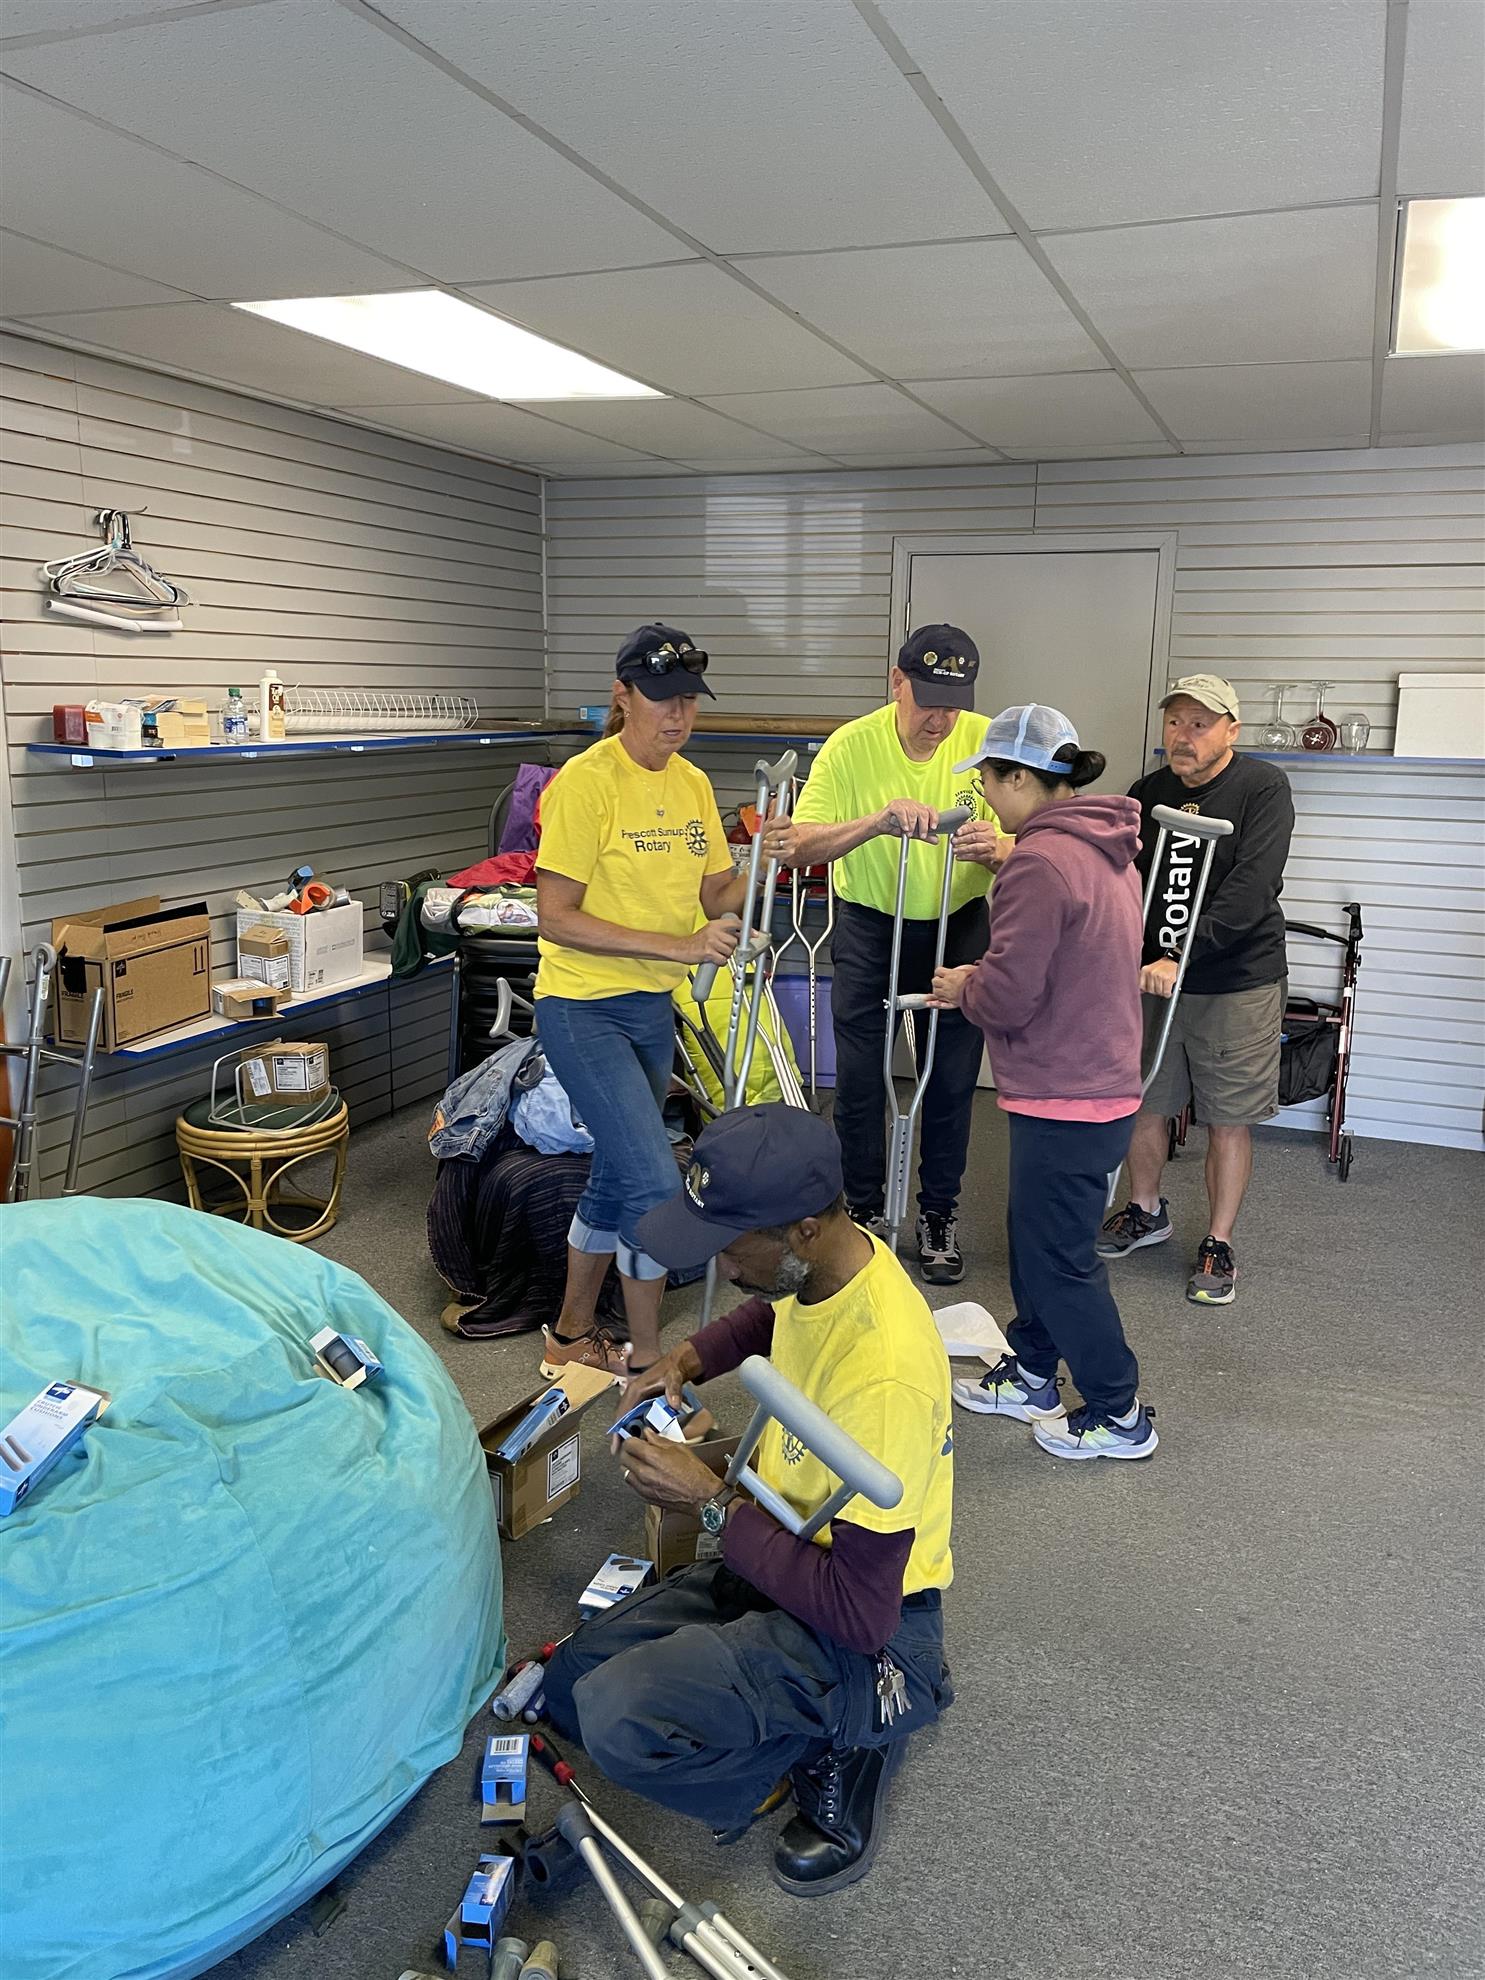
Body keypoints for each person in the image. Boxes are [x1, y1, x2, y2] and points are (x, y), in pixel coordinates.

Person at [541, 1103, 954, 1896]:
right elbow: (771, 1314)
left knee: (619, 1716)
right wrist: (684, 1359)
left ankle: (848, 1736)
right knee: (572, 1684)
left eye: (730, 1247)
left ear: (803, 1230)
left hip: (871, 1625)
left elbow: (861, 1613)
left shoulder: (886, 1380)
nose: (722, 1268)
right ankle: (794, 1707)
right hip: (787, 1542)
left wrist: (707, 1503)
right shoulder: (827, 1268)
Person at [930, 704, 1156, 1461]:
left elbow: (1008, 995)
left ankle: (1118, 1412)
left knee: (1058, 1260)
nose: (986, 798)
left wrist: (964, 983)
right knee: (1036, 1243)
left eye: (988, 782)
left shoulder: (1037, 861)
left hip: (1068, 1090)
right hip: (1093, 1080)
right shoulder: (1105, 847)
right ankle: (1032, 1371)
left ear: (1020, 778)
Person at [759, 625, 1011, 1285]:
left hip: (958, 925)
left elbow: (1038, 830)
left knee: (951, 1079)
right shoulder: (851, 745)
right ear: (896, 682)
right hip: (871, 923)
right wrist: (875, 822)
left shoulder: (986, 740)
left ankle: (938, 1214)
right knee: (862, 1077)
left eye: (953, 704)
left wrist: (1001, 847)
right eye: (928, 700)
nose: (941, 720)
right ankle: (862, 1211)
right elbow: (798, 845)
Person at [534, 623, 749, 1375]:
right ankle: (649, 1364)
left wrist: (767, 859)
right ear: (621, 696)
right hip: (581, 1007)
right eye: (661, 698)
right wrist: (680, 946)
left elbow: (716, 894)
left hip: (650, 1008)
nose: (678, 714)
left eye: (689, 698)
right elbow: (555, 916)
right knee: (655, 1185)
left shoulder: (692, 784)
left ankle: (568, 1338)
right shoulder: (585, 783)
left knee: (615, 1174)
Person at [1099, 675, 1295, 1308]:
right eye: (1175, 722)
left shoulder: (1262, 788)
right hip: (1153, 980)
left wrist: (1180, 955)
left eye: (1200, 724)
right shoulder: (1147, 793)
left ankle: (1219, 1241)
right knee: (1144, 1102)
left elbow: (1253, 888)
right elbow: (1125, 878)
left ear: (1231, 731)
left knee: (1227, 1119)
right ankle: (1145, 1209)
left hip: (1233, 983)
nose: (1183, 736)